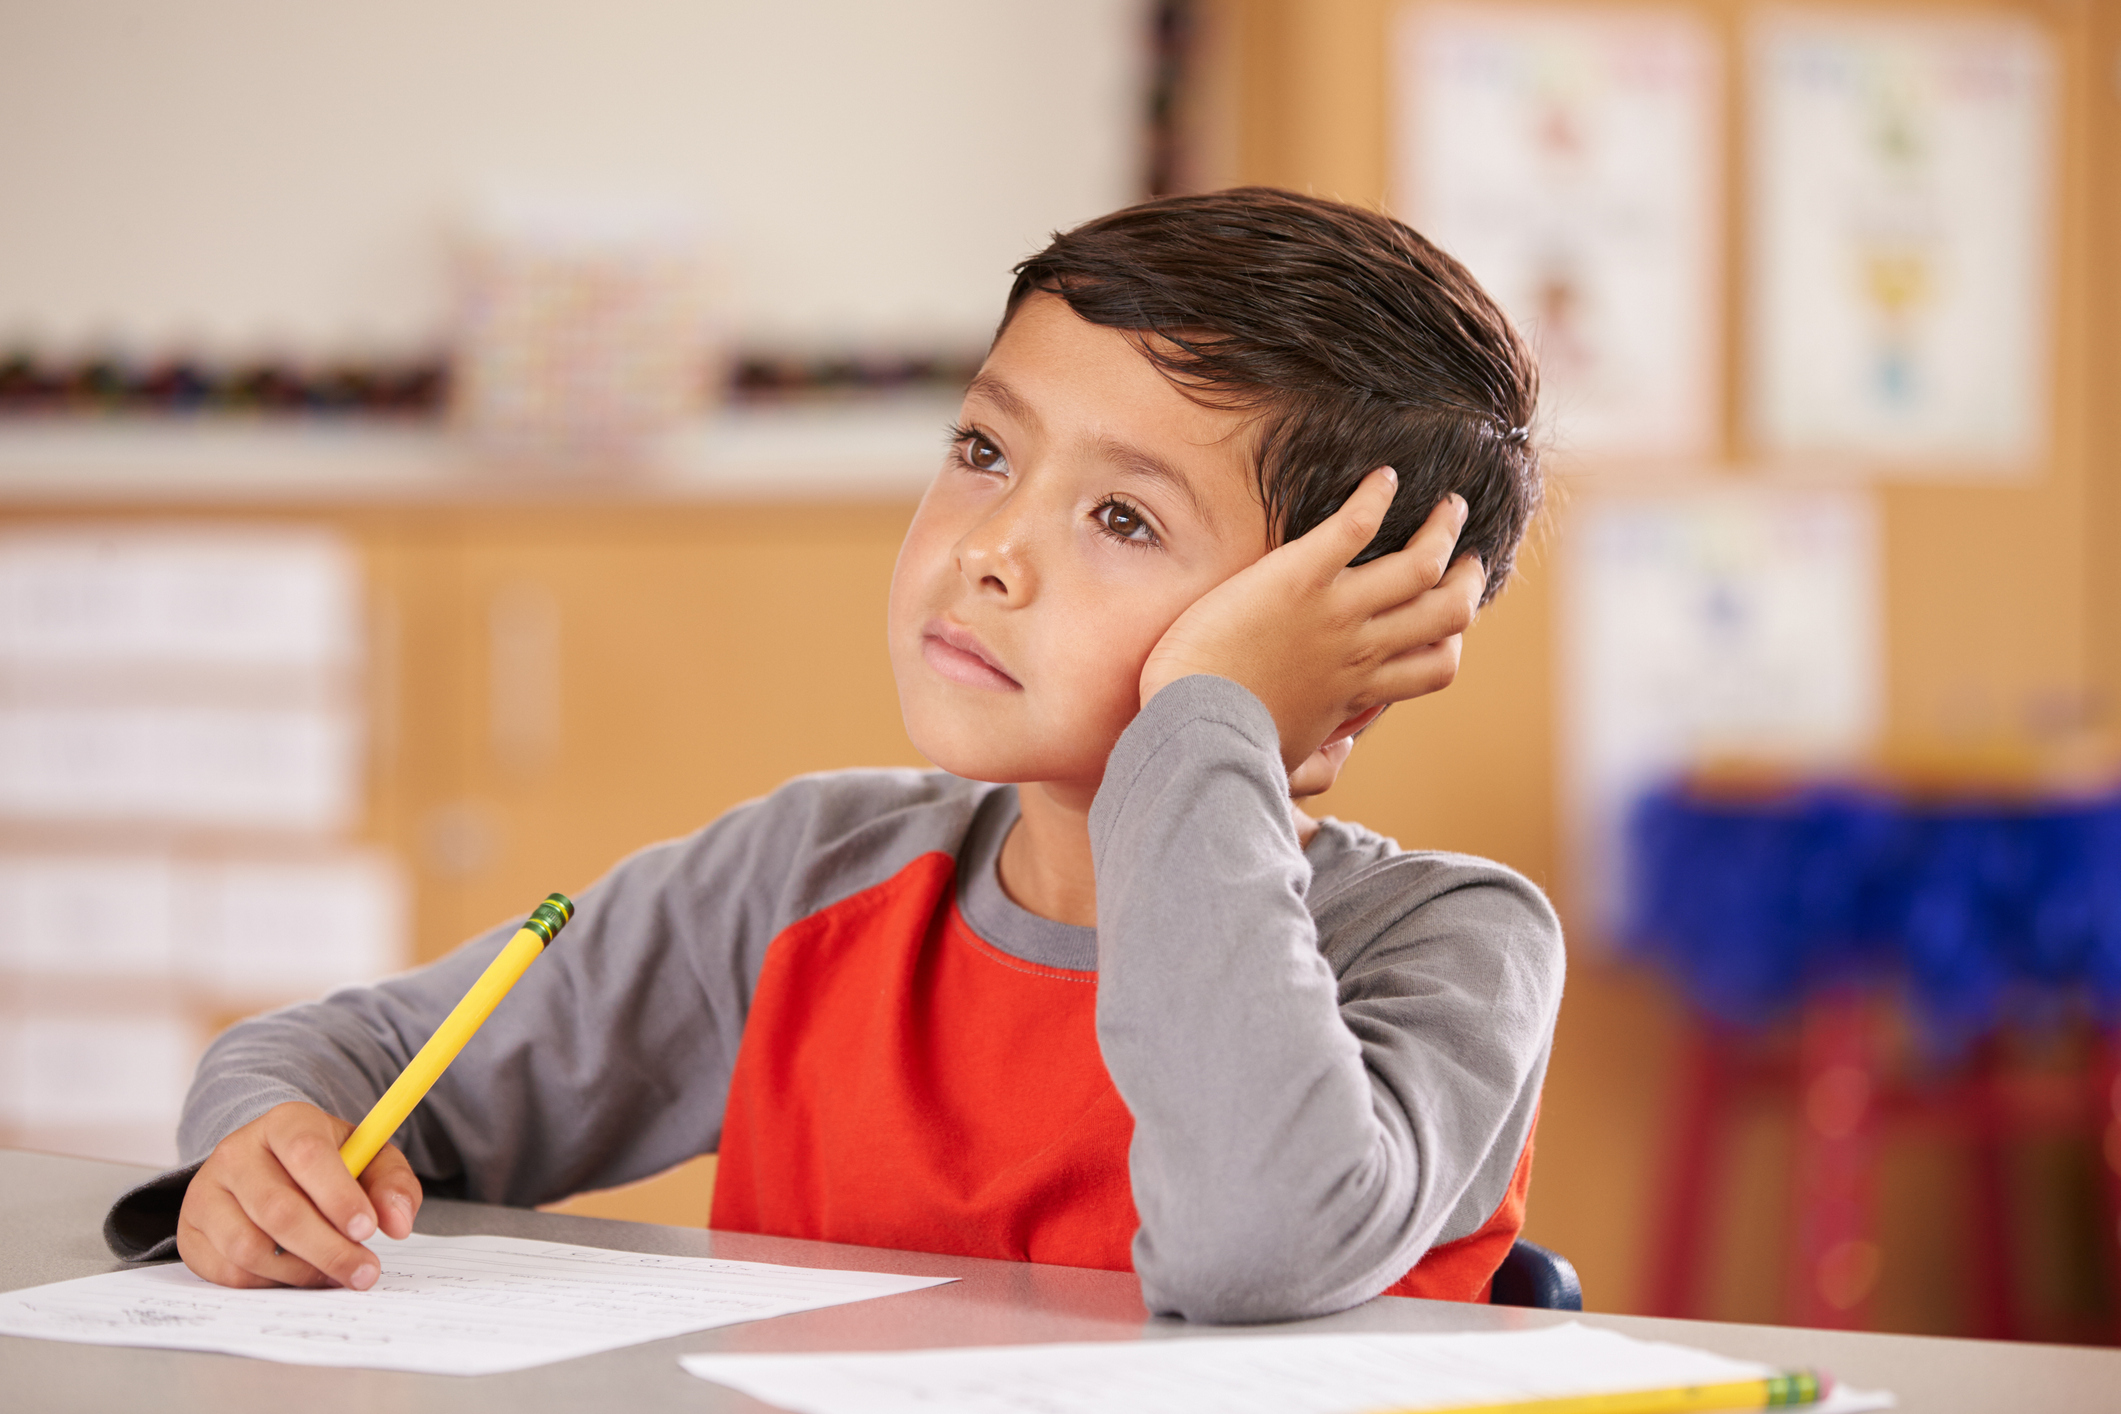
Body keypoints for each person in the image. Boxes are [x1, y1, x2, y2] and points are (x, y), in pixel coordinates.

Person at [105, 188, 1564, 1324]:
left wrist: (1211, 719)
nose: (987, 548)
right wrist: (271, 1148)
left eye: (1122, 519)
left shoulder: (1450, 944)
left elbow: (1251, 1240)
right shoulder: (803, 880)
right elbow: (332, 1056)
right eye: (986, 452)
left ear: (1343, 654)